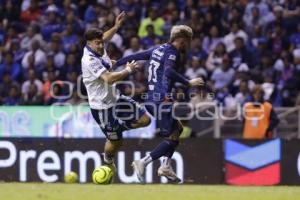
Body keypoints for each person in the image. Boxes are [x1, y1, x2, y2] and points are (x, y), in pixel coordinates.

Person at [116, 25, 204, 183]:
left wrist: (116, 63)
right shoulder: (173, 52)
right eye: (188, 41)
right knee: (171, 138)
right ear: (182, 40)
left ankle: (165, 166)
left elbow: (136, 56)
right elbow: (169, 72)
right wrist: (188, 82)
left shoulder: (158, 49)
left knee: (177, 129)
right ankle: (143, 162)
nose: (188, 45)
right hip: (161, 100)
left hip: (151, 99)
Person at [81, 12, 151, 174]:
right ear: (89, 44)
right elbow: (109, 79)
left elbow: (105, 37)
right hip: (102, 108)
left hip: (116, 99)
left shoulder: (99, 45)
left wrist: (116, 26)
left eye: (101, 43)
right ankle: (108, 160)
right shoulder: (89, 60)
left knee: (145, 120)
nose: (101, 46)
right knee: (116, 142)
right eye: (97, 44)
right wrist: (127, 70)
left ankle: (116, 130)